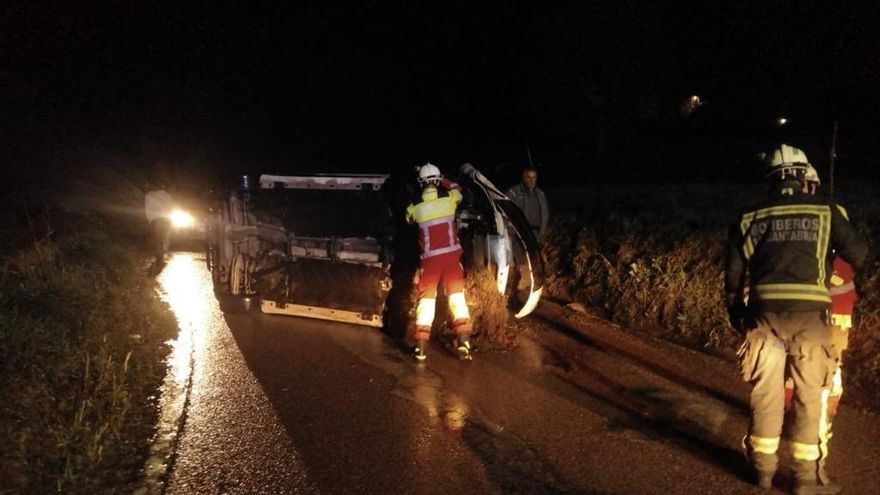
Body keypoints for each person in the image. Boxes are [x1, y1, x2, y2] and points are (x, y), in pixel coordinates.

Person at [725, 144, 866, 494]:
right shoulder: (826, 211)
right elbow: (859, 254)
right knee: (808, 395)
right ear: (803, 176)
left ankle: (762, 472)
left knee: (766, 394)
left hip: (764, 315)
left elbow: (733, 273)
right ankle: (804, 479)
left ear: (770, 179)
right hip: (810, 319)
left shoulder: (749, 216)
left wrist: (736, 312)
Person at [406, 163, 474, 361]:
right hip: (452, 259)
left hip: (430, 262)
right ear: (437, 181)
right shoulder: (450, 200)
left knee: (426, 301)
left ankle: (421, 347)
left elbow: (408, 219)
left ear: (421, 183)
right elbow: (458, 190)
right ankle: (463, 341)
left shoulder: (415, 207)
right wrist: (444, 181)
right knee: (457, 298)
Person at [505, 166, 549, 239]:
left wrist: (543, 231)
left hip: (536, 234)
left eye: (534, 177)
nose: (531, 180)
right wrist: (510, 229)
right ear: (524, 178)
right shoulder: (514, 192)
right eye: (529, 177)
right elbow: (506, 210)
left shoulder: (540, 193)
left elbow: (545, 212)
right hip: (519, 233)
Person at [144, 182, 174, 266]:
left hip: (155, 220)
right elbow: (170, 209)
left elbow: (147, 209)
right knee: (164, 237)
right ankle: (162, 255)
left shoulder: (149, 195)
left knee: (157, 240)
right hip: (165, 220)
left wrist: (149, 220)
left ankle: (159, 258)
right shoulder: (168, 196)